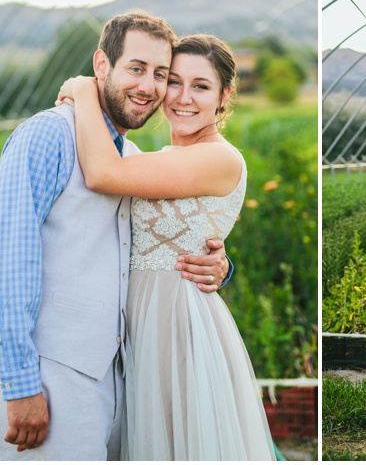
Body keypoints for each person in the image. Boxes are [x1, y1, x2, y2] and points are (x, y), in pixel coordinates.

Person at [0, 11, 232, 460]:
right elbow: (6, 259)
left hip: (119, 373)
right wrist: (20, 384)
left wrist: (220, 262)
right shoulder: (47, 135)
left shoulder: (130, 154)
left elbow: (163, 235)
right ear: (102, 65)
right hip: (50, 372)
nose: (150, 87)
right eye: (136, 68)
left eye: (160, 74)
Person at [56, 34, 276, 460]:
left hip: (177, 324)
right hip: (137, 322)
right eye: (173, 81)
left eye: (201, 86)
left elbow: (103, 173)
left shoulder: (220, 158)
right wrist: (221, 262)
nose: (183, 97)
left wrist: (85, 90)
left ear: (224, 96)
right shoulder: (156, 156)